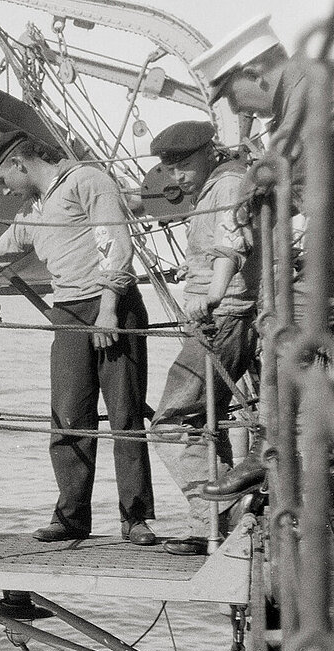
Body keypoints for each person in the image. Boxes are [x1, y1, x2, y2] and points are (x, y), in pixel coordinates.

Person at [0, 130, 155, 545]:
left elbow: (115, 244)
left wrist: (109, 308)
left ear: (19, 165)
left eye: (4, 182)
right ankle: (71, 517)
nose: (6, 193)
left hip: (112, 307)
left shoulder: (88, 181)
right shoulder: (33, 214)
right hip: (68, 317)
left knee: (125, 417)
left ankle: (135, 519)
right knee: (67, 417)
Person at [189, 15, 310, 502]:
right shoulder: (291, 106)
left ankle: (275, 452)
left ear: (257, 72)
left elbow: (279, 168)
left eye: (233, 94)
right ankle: (273, 450)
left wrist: (246, 187)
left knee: (286, 323)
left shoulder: (309, 87)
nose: (237, 109)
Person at [149, 121, 259, 556]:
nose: (176, 177)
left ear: (209, 151)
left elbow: (232, 244)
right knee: (200, 420)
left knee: (171, 423)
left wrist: (212, 293)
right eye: (169, 169)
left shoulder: (227, 185)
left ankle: (226, 512)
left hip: (224, 316)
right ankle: (211, 520)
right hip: (220, 315)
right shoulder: (216, 185)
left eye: (183, 165)